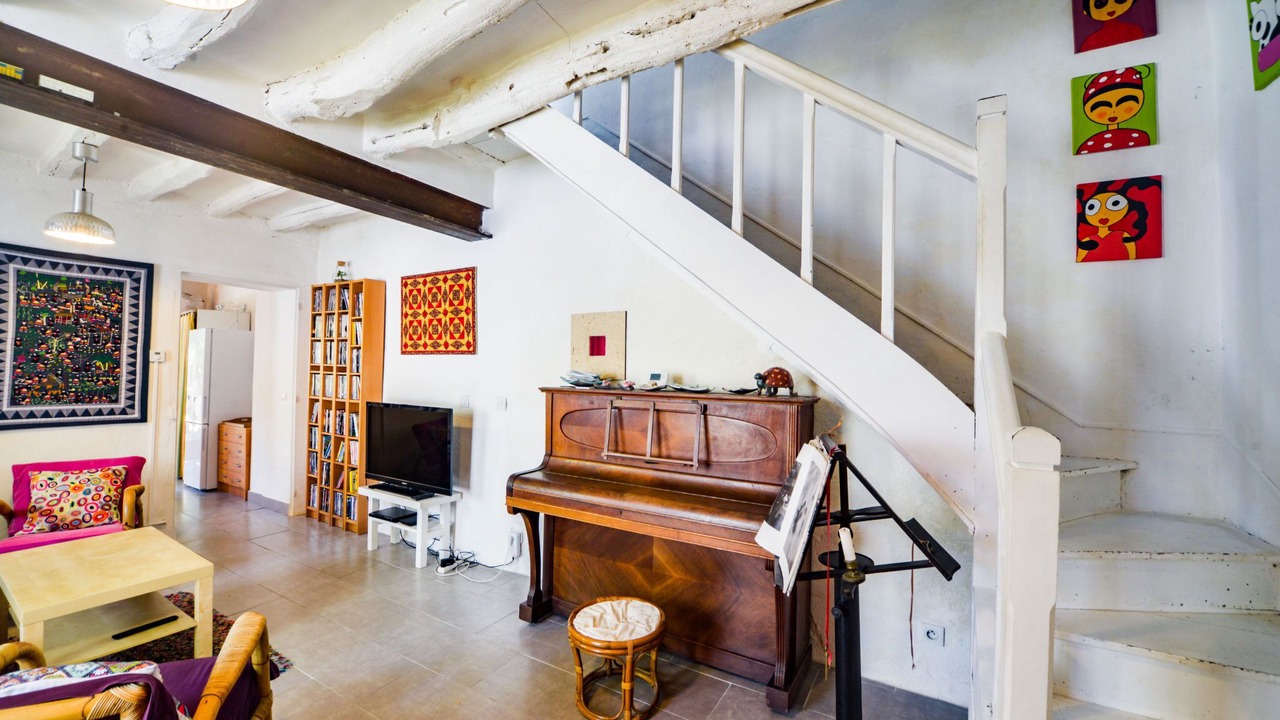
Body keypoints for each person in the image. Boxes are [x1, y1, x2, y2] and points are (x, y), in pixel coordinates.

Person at [1076, 177, 1161, 262]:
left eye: (1115, 203)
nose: (1104, 213)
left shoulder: (1124, 236)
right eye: (1092, 207)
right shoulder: (1086, 241)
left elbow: (1132, 257)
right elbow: (1080, 259)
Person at [1076, 66, 1151, 155]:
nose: (1113, 111)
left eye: (1123, 102)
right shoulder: (1089, 145)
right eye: (1102, 106)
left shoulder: (1140, 137)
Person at [1078, 0, 1147, 52]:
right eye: (1100, 3)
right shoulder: (1089, 43)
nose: (1110, 7)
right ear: (1086, 11)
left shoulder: (1134, 31)